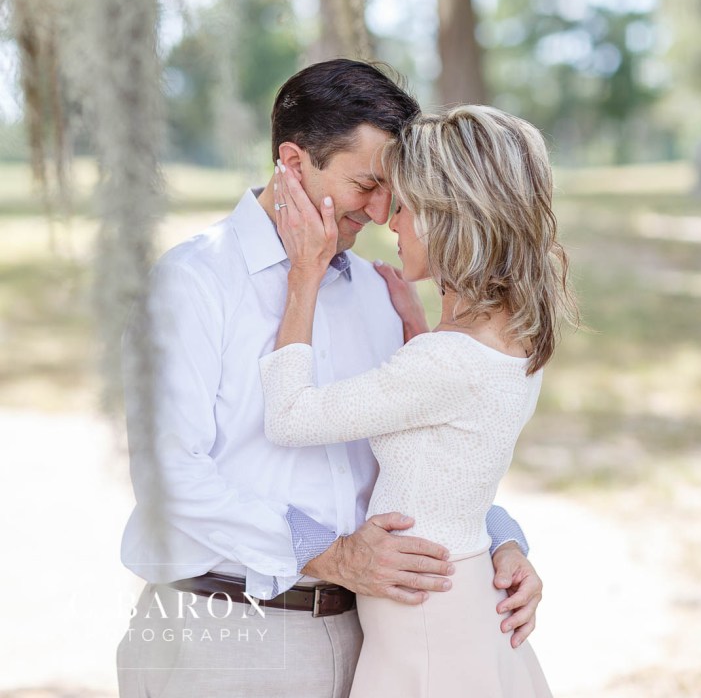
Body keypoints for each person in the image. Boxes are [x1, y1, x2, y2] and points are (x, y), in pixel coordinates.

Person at [117, 59, 544, 698]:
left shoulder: (378, 290)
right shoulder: (193, 283)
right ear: (293, 162)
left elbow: (428, 451)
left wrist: (500, 542)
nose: (379, 213)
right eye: (366, 184)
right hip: (235, 637)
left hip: (374, 642)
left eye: (392, 191)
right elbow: (169, 476)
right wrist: (335, 555)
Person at [260, 104, 575, 696]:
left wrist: (304, 275)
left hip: (426, 631)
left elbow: (290, 416)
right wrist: (419, 324)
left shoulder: (444, 362)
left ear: (446, 217)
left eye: (402, 206)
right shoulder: (511, 339)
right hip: (454, 605)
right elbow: (446, 446)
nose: (390, 222)